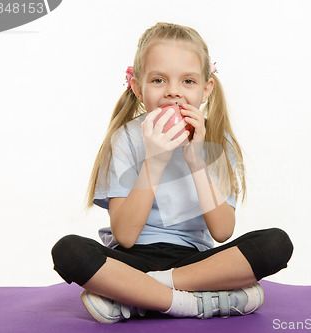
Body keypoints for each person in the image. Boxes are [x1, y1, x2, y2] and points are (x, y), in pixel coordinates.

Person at [51, 22, 293, 323]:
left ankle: (135, 296)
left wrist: (197, 159)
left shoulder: (217, 141)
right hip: (131, 259)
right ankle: (194, 303)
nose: (173, 93)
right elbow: (125, 236)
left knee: (275, 244)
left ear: (206, 89)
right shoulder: (125, 139)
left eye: (188, 81)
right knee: (69, 252)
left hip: (195, 261)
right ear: (138, 88)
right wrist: (155, 160)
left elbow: (222, 231)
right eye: (158, 81)